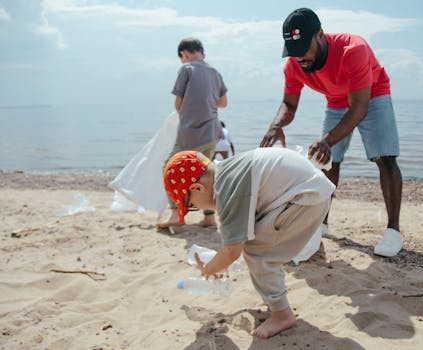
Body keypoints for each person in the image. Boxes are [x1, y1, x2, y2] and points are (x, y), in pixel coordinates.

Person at [260, 8, 403, 257]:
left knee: (385, 158)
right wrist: (276, 126)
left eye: (304, 48)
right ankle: (321, 222)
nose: (300, 58)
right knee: (326, 163)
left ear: (320, 35)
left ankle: (393, 230)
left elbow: (359, 106)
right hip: (336, 101)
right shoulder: (294, 65)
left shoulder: (353, 49)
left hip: (372, 94)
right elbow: (290, 104)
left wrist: (327, 140)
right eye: (293, 52)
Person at [163, 148, 335, 338]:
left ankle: (282, 314)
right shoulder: (227, 172)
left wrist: (211, 268)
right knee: (258, 241)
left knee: (259, 253)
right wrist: (222, 263)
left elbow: (232, 251)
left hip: (305, 198)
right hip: (309, 190)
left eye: (191, 206)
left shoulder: (227, 192)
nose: (195, 208)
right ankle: (273, 298)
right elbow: (239, 235)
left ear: (198, 189)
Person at [158, 37, 228, 229]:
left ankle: (175, 213)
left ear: (184, 54)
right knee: (206, 173)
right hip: (212, 133)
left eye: (182, 58)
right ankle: (209, 217)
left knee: (169, 169)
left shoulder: (186, 69)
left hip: (191, 133)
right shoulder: (214, 72)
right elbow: (223, 102)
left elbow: (178, 104)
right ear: (201, 52)